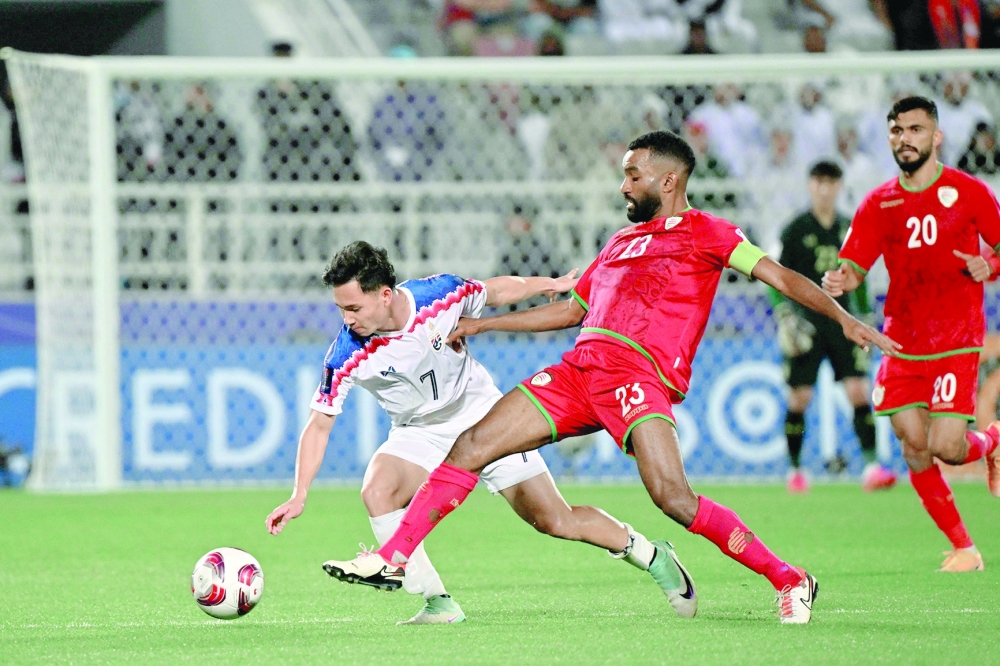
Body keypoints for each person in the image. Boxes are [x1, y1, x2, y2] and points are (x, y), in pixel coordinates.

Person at [322, 131, 899, 625]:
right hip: (579, 370)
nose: (623, 185)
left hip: (638, 377)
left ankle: (789, 578)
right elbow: (572, 310)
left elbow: (780, 276)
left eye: (633, 175)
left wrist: (843, 317)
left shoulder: (710, 233)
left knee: (673, 498)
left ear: (668, 181)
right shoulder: (619, 242)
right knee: (471, 444)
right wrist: (485, 324)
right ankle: (393, 557)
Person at [265, 241, 698, 624]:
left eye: (353, 308)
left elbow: (495, 290)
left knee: (555, 520)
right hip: (419, 431)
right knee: (378, 490)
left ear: (384, 294)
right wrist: (300, 493)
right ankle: (438, 603)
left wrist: (548, 282)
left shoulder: (438, 295)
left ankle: (651, 554)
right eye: (340, 309)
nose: (346, 319)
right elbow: (318, 425)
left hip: (484, 418)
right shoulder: (346, 353)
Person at [823, 96, 1000, 573]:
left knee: (947, 446)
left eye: (916, 130)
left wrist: (993, 263)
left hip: (957, 334)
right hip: (902, 338)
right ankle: (965, 547)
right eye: (897, 131)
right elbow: (855, 267)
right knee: (911, 443)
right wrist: (842, 280)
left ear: (936, 137)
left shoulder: (970, 192)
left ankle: (990, 442)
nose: (905, 139)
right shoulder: (879, 203)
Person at [772, 161, 897, 494]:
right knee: (800, 397)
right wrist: (785, 314)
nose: (825, 189)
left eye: (831, 182)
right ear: (810, 186)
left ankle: (871, 466)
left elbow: (860, 274)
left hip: (843, 321)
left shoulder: (848, 227)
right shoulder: (795, 229)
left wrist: (865, 314)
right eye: (819, 182)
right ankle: (795, 471)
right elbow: (773, 274)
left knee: (858, 390)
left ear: (840, 186)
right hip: (807, 322)